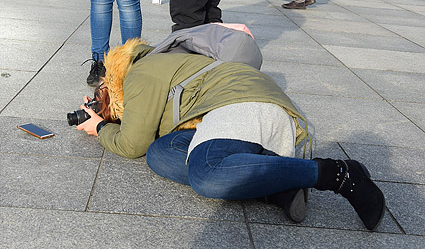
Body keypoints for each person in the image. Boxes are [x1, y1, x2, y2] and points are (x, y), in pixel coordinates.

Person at [75, 37, 386, 231]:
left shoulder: (139, 74)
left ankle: (337, 173)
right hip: (229, 110)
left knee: (205, 173)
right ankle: (278, 187)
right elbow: (145, 140)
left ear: (109, 84)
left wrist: (101, 127)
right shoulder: (149, 64)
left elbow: (131, 144)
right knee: (160, 153)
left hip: (243, 103)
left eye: (100, 99)